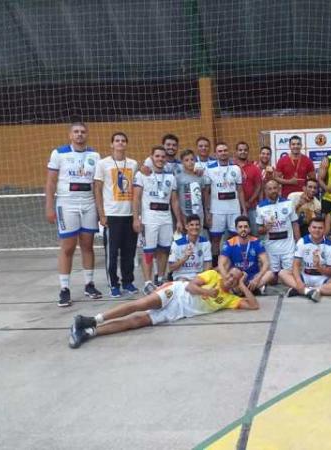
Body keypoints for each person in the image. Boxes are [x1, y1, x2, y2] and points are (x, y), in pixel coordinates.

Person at [68, 268, 259, 349]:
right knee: (139, 305)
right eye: (231, 275)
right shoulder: (212, 275)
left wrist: (242, 285)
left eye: (235, 279)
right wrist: (208, 293)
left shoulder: (230, 299)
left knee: (136, 322)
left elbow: (253, 306)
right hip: (175, 293)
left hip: (177, 313)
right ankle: (94, 319)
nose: (231, 278)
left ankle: (90, 332)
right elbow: (190, 287)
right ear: (225, 274)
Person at [45, 122, 102, 307]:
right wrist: (49, 207)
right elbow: (51, 183)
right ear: (70, 135)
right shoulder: (59, 153)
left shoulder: (95, 155)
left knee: (87, 245)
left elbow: (97, 184)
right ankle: (64, 289)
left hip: (88, 204)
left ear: (87, 134)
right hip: (66, 204)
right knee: (68, 247)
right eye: (76, 132)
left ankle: (89, 284)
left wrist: (101, 210)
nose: (79, 135)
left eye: (83, 132)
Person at [94, 132, 139, 297]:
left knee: (129, 252)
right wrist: (101, 214)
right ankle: (114, 284)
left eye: (123, 141)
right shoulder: (103, 164)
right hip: (112, 215)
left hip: (129, 215)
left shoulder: (133, 164)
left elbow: (136, 189)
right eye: (117, 141)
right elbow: (97, 189)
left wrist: (136, 216)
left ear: (126, 144)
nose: (120, 143)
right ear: (111, 144)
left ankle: (128, 282)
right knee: (112, 254)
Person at [133, 146, 183, 295]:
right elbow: (136, 198)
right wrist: (136, 218)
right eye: (157, 156)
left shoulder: (171, 177)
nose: (160, 159)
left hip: (166, 219)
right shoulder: (142, 175)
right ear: (151, 158)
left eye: (163, 157)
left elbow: (174, 201)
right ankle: (148, 282)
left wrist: (179, 220)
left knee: (164, 249)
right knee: (148, 251)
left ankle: (160, 278)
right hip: (150, 219)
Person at [279, 217, 331, 302]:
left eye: (320, 228)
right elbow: (296, 265)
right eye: (314, 227)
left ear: (324, 229)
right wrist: (299, 282)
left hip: (322, 278)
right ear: (309, 229)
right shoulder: (302, 241)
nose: (317, 230)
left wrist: (318, 267)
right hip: (306, 275)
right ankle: (308, 291)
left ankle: (303, 290)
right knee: (282, 273)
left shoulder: (330, 246)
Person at [203, 142, 246, 265]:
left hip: (234, 209)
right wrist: (207, 212)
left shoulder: (236, 168)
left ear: (229, 152)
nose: (223, 153)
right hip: (216, 210)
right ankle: (216, 264)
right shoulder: (209, 168)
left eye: (225, 150)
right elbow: (206, 192)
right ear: (216, 154)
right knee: (215, 239)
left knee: (235, 237)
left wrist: (244, 210)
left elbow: (240, 190)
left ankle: (233, 262)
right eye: (220, 151)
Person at [256, 180, 301, 274]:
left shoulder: (288, 203)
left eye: (275, 188)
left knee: (290, 274)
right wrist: (265, 228)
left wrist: (298, 242)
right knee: (272, 279)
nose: (273, 191)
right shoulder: (260, 207)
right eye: (270, 189)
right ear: (265, 191)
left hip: (288, 247)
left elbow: (295, 224)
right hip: (271, 248)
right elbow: (259, 230)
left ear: (279, 189)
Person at [219, 215, 273, 294]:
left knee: (270, 274)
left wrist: (257, 278)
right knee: (221, 275)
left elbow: (266, 263)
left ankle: (243, 291)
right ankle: (252, 290)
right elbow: (221, 264)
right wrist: (227, 278)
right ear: (236, 229)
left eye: (245, 227)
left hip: (253, 278)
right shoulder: (230, 243)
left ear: (249, 229)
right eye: (240, 227)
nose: (243, 229)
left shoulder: (256, 242)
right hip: (237, 278)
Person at [168, 215, 212, 280]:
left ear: (200, 226)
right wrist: (185, 258)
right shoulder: (177, 243)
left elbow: (208, 265)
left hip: (199, 276)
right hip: (182, 276)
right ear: (186, 227)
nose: (195, 227)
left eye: (197, 225)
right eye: (191, 225)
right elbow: (171, 268)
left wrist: (203, 279)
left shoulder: (205, 242)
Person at [234, 141, 263, 235]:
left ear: (248, 152)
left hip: (252, 206)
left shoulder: (254, 168)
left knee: (255, 233)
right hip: (234, 207)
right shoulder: (231, 167)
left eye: (245, 150)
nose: (243, 152)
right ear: (236, 152)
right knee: (233, 235)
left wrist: (249, 202)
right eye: (240, 150)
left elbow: (258, 187)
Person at [175, 149, 207, 231]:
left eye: (192, 159)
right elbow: (176, 199)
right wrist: (180, 217)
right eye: (187, 160)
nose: (190, 162)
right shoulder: (178, 178)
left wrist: (206, 213)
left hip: (199, 215)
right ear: (182, 162)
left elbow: (203, 197)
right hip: (185, 215)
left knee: (198, 238)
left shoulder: (200, 177)